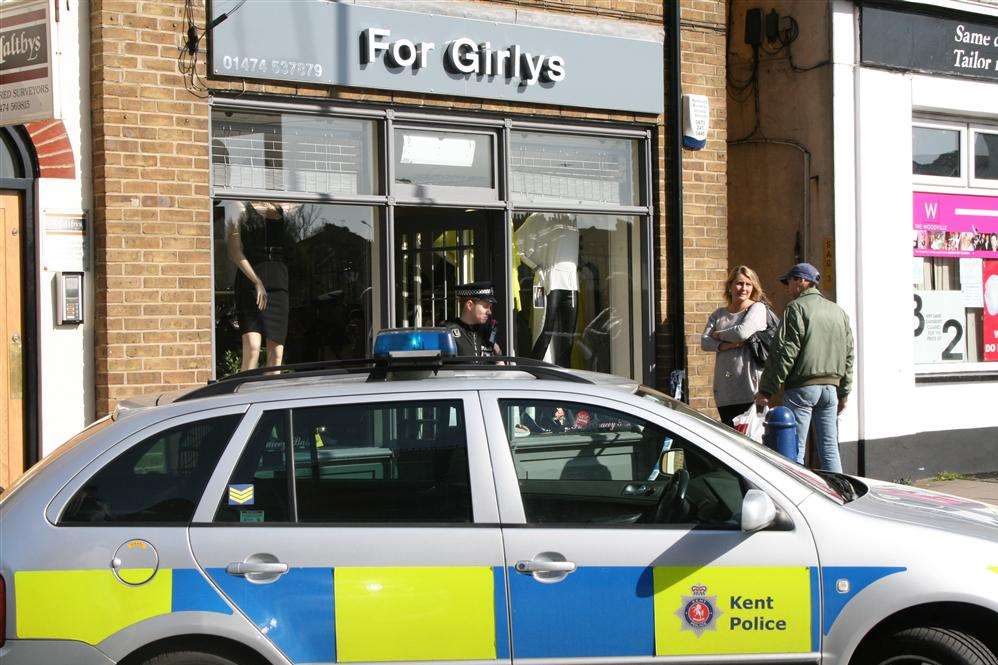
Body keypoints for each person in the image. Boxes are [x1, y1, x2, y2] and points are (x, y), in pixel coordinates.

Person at [755, 262, 854, 472]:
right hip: (830, 390)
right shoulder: (838, 311)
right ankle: (838, 496)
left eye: (789, 282)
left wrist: (766, 390)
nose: (787, 287)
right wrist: (844, 392)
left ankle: (793, 499)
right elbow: (848, 355)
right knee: (829, 449)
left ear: (802, 281)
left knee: (794, 449)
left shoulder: (796, 308)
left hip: (802, 388)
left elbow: (784, 352)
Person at [701, 265, 772, 427]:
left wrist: (718, 335)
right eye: (739, 283)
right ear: (730, 286)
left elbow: (742, 333)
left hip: (749, 388)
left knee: (751, 439)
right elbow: (705, 342)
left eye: (748, 284)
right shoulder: (719, 314)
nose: (743, 288)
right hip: (725, 390)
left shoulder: (757, 308)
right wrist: (727, 346)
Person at [444, 281, 503, 357]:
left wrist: (498, 355)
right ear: (470, 305)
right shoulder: (448, 331)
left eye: (490, 307)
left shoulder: (487, 331)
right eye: (485, 306)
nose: (489, 312)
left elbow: (498, 359)